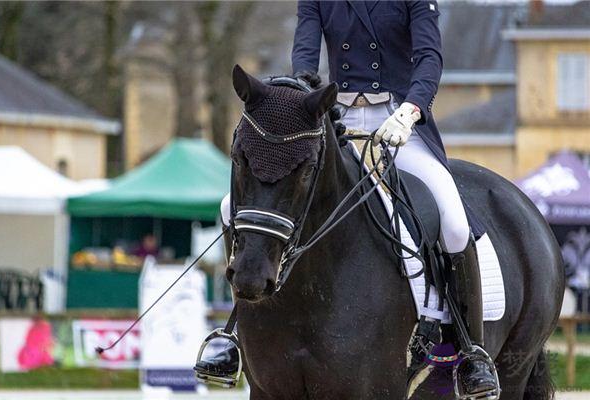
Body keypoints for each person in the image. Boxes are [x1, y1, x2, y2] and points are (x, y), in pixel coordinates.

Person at [197, 2, 498, 397]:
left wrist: (410, 110)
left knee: (454, 222)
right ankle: (236, 332)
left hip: (397, 121)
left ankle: (470, 352)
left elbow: (428, 58)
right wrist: (301, 94)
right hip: (329, 120)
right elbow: (305, 51)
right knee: (230, 206)